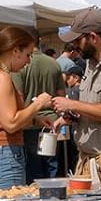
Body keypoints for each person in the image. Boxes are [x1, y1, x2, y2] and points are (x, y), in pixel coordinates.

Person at [0, 26, 56, 193]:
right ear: (15, 51)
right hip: (2, 158)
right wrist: (38, 104)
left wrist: (34, 119)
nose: (28, 61)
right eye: (28, 55)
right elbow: (10, 123)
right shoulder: (0, 77)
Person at [52, 8, 101, 188]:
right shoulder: (91, 63)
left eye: (78, 40)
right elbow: (93, 107)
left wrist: (71, 103)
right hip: (87, 160)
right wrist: (74, 117)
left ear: (93, 37)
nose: (75, 46)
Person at [14, 45, 65, 180]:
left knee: (33, 166)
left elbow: (18, 96)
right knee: (52, 165)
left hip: (28, 121)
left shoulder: (19, 66)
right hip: (52, 121)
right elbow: (61, 95)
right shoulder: (53, 63)